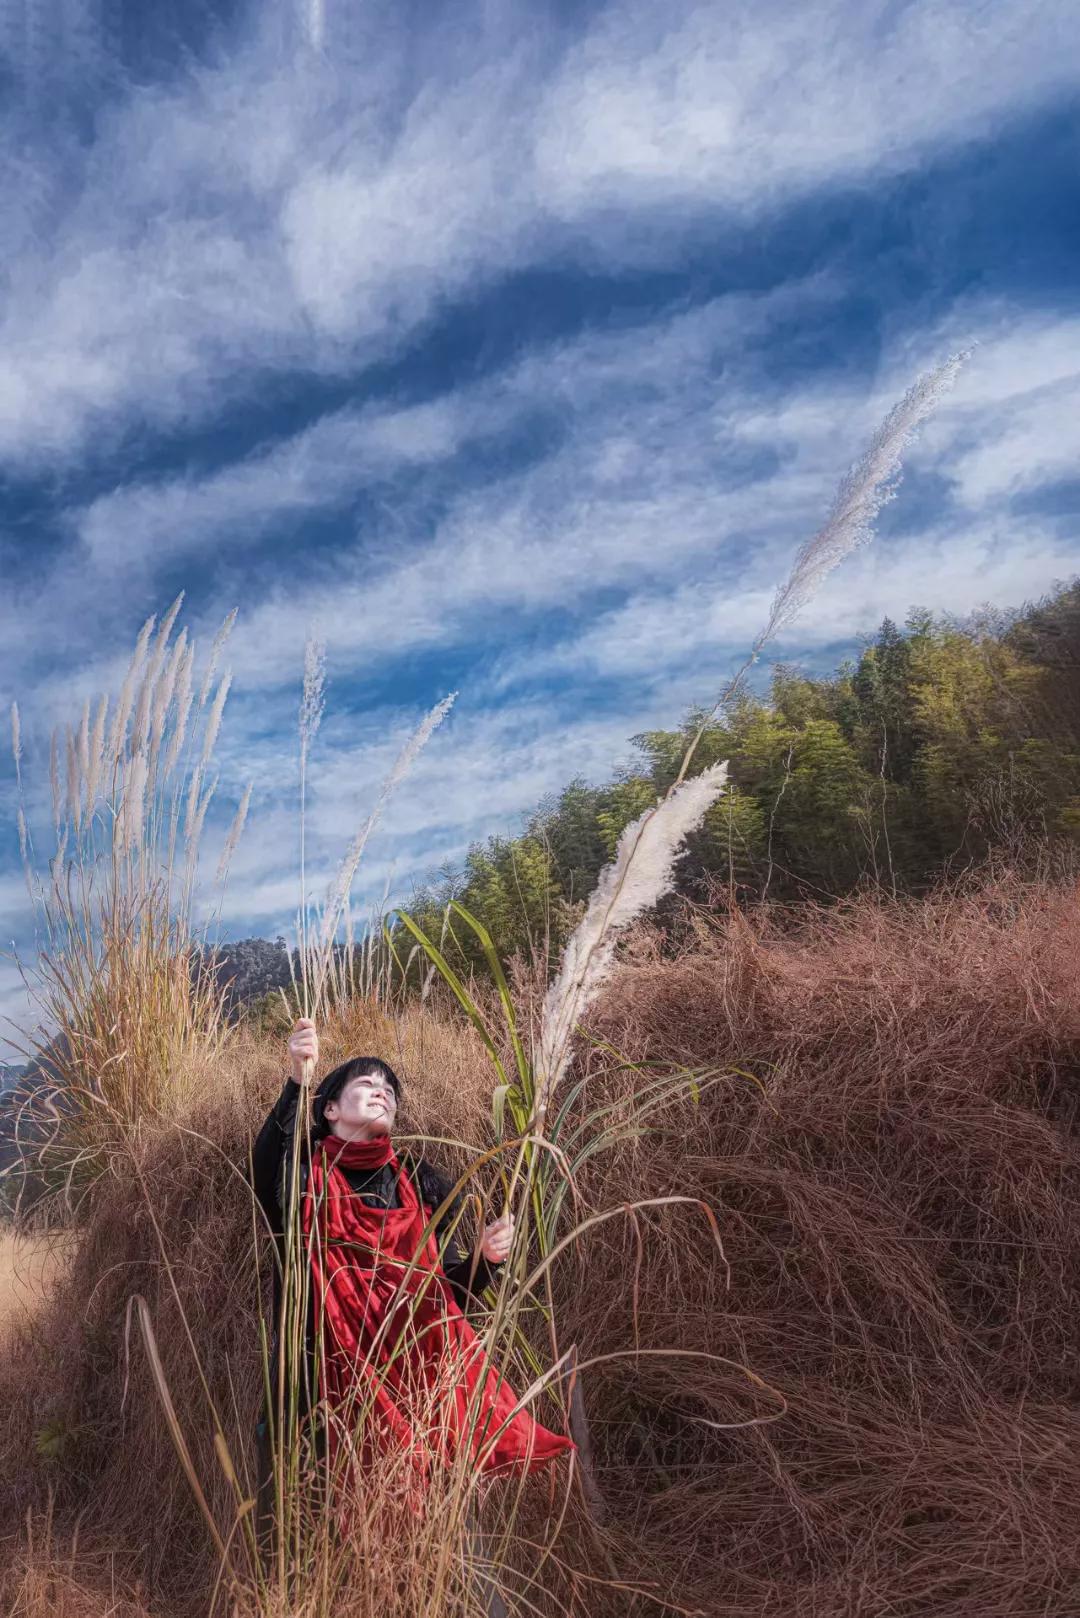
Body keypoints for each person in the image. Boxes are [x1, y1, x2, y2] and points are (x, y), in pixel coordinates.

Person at [250, 1017, 574, 1549]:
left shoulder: (418, 1184)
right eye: (366, 1085)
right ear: (329, 1108)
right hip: (315, 1387)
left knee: (413, 1533)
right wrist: (297, 1078)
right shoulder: (304, 1177)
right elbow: (266, 1169)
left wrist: (485, 1261)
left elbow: (450, 1300)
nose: (382, 1092)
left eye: (389, 1090)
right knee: (312, 1534)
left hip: (412, 1391)